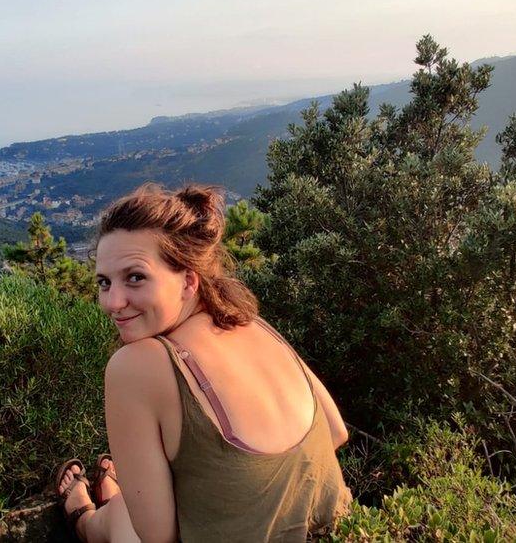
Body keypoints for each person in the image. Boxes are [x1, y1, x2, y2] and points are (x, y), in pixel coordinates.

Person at [56, 183, 352, 542]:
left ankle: (84, 520)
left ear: (188, 282)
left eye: (135, 278)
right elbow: (336, 431)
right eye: (104, 283)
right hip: (349, 532)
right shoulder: (253, 324)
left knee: (125, 522)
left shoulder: (136, 365)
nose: (113, 302)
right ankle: (110, 501)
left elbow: (156, 534)